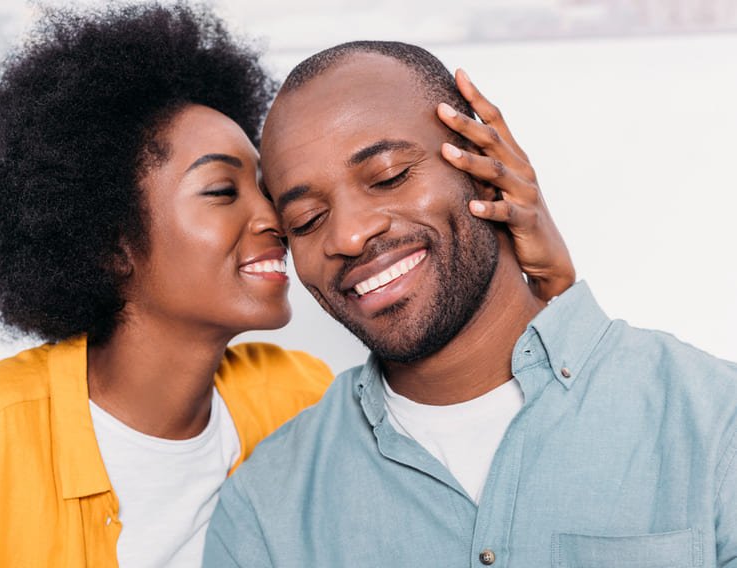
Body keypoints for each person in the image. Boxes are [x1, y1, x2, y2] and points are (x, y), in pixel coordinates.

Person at [0, 6, 575, 568]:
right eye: (222, 191)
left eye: (269, 192)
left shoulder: (295, 396)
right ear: (110, 243)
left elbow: (485, 438)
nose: (274, 219)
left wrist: (551, 284)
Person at [203, 41, 737, 568]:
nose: (348, 234)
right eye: (307, 221)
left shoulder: (715, 423)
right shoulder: (264, 511)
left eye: (388, 177)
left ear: (487, 166)